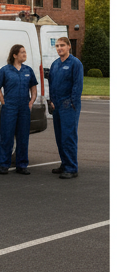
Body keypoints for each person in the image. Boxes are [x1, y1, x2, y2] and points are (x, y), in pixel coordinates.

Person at [0, 44, 38, 174]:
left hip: (24, 107)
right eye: (22, 52)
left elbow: (33, 87)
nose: (25, 54)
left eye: (25, 52)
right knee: (6, 136)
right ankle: (4, 165)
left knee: (23, 136)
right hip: (10, 107)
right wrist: (3, 101)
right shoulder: (5, 70)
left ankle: (22, 165)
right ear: (14, 55)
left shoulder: (28, 70)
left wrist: (31, 101)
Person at [48, 35, 83, 178]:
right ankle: (65, 163)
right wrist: (51, 101)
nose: (59, 48)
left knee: (68, 137)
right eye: (57, 46)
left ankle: (72, 168)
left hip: (69, 105)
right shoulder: (55, 64)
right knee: (60, 137)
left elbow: (77, 85)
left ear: (69, 46)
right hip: (56, 105)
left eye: (62, 45)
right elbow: (51, 84)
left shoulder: (75, 63)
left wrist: (73, 102)